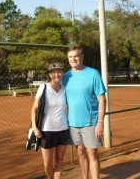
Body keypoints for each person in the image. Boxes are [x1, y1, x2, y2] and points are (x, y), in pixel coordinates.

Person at [62, 45, 107, 179]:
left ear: (82, 57)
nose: (73, 59)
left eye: (76, 56)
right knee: (80, 152)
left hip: (91, 122)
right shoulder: (65, 76)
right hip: (73, 123)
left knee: (92, 153)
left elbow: (102, 99)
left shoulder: (93, 73)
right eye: (70, 57)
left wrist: (100, 122)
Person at [31, 62, 70, 179]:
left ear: (62, 73)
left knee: (59, 160)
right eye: (53, 72)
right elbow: (34, 109)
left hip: (63, 129)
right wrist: (35, 127)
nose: (56, 74)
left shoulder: (64, 89)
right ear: (49, 74)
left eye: (59, 71)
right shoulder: (44, 88)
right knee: (47, 164)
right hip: (47, 131)